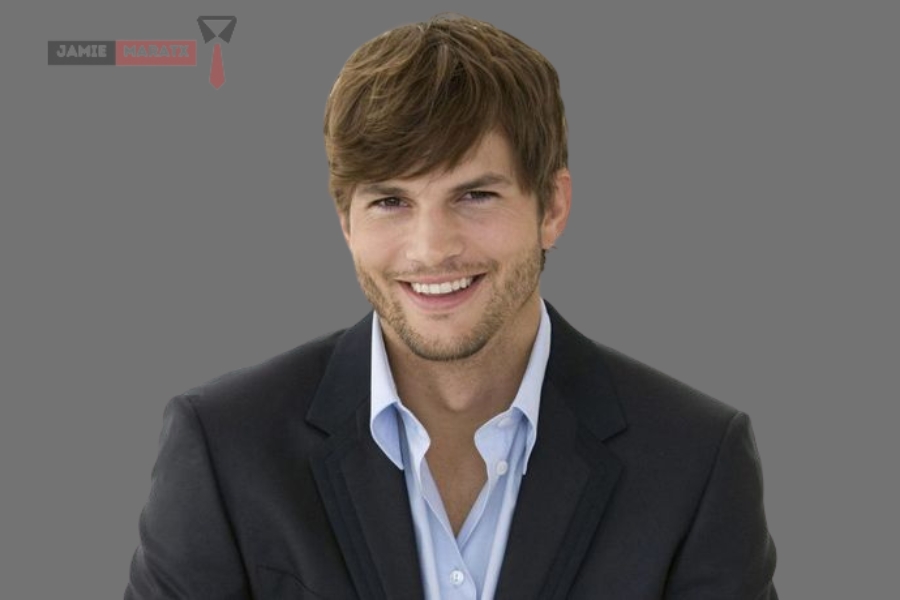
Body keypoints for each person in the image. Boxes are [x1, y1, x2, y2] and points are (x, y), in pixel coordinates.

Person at [125, 13, 777, 600]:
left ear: (552, 207)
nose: (432, 248)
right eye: (390, 201)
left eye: (475, 196)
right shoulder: (225, 446)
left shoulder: (694, 460)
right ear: (345, 222)